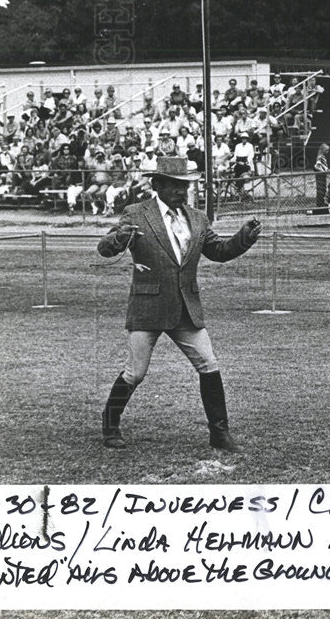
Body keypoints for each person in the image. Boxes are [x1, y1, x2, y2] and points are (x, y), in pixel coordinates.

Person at [97, 156, 262, 451]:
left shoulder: (197, 218)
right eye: (174, 185)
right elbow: (105, 248)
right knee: (135, 372)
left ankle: (220, 433)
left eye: (184, 186)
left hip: (186, 307)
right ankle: (110, 424)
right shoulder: (135, 213)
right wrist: (119, 239)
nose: (181, 191)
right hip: (148, 307)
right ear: (156, 185)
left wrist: (243, 238)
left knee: (209, 364)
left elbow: (219, 250)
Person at [313, 143, 330, 215]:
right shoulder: (320, 157)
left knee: (323, 189)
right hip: (321, 175)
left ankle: (321, 205)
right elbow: (317, 166)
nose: (327, 152)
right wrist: (322, 171)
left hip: (322, 174)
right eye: (326, 150)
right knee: (321, 190)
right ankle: (320, 206)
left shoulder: (322, 156)